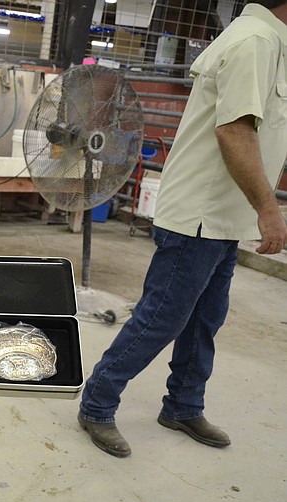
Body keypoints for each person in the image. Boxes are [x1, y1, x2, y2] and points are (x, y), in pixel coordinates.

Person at [78, 0, 287, 458]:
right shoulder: (256, 40)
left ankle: (183, 405)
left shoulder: (268, 41)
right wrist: (270, 212)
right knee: (162, 318)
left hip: (221, 218)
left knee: (203, 319)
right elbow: (234, 132)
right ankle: (97, 402)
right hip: (200, 215)